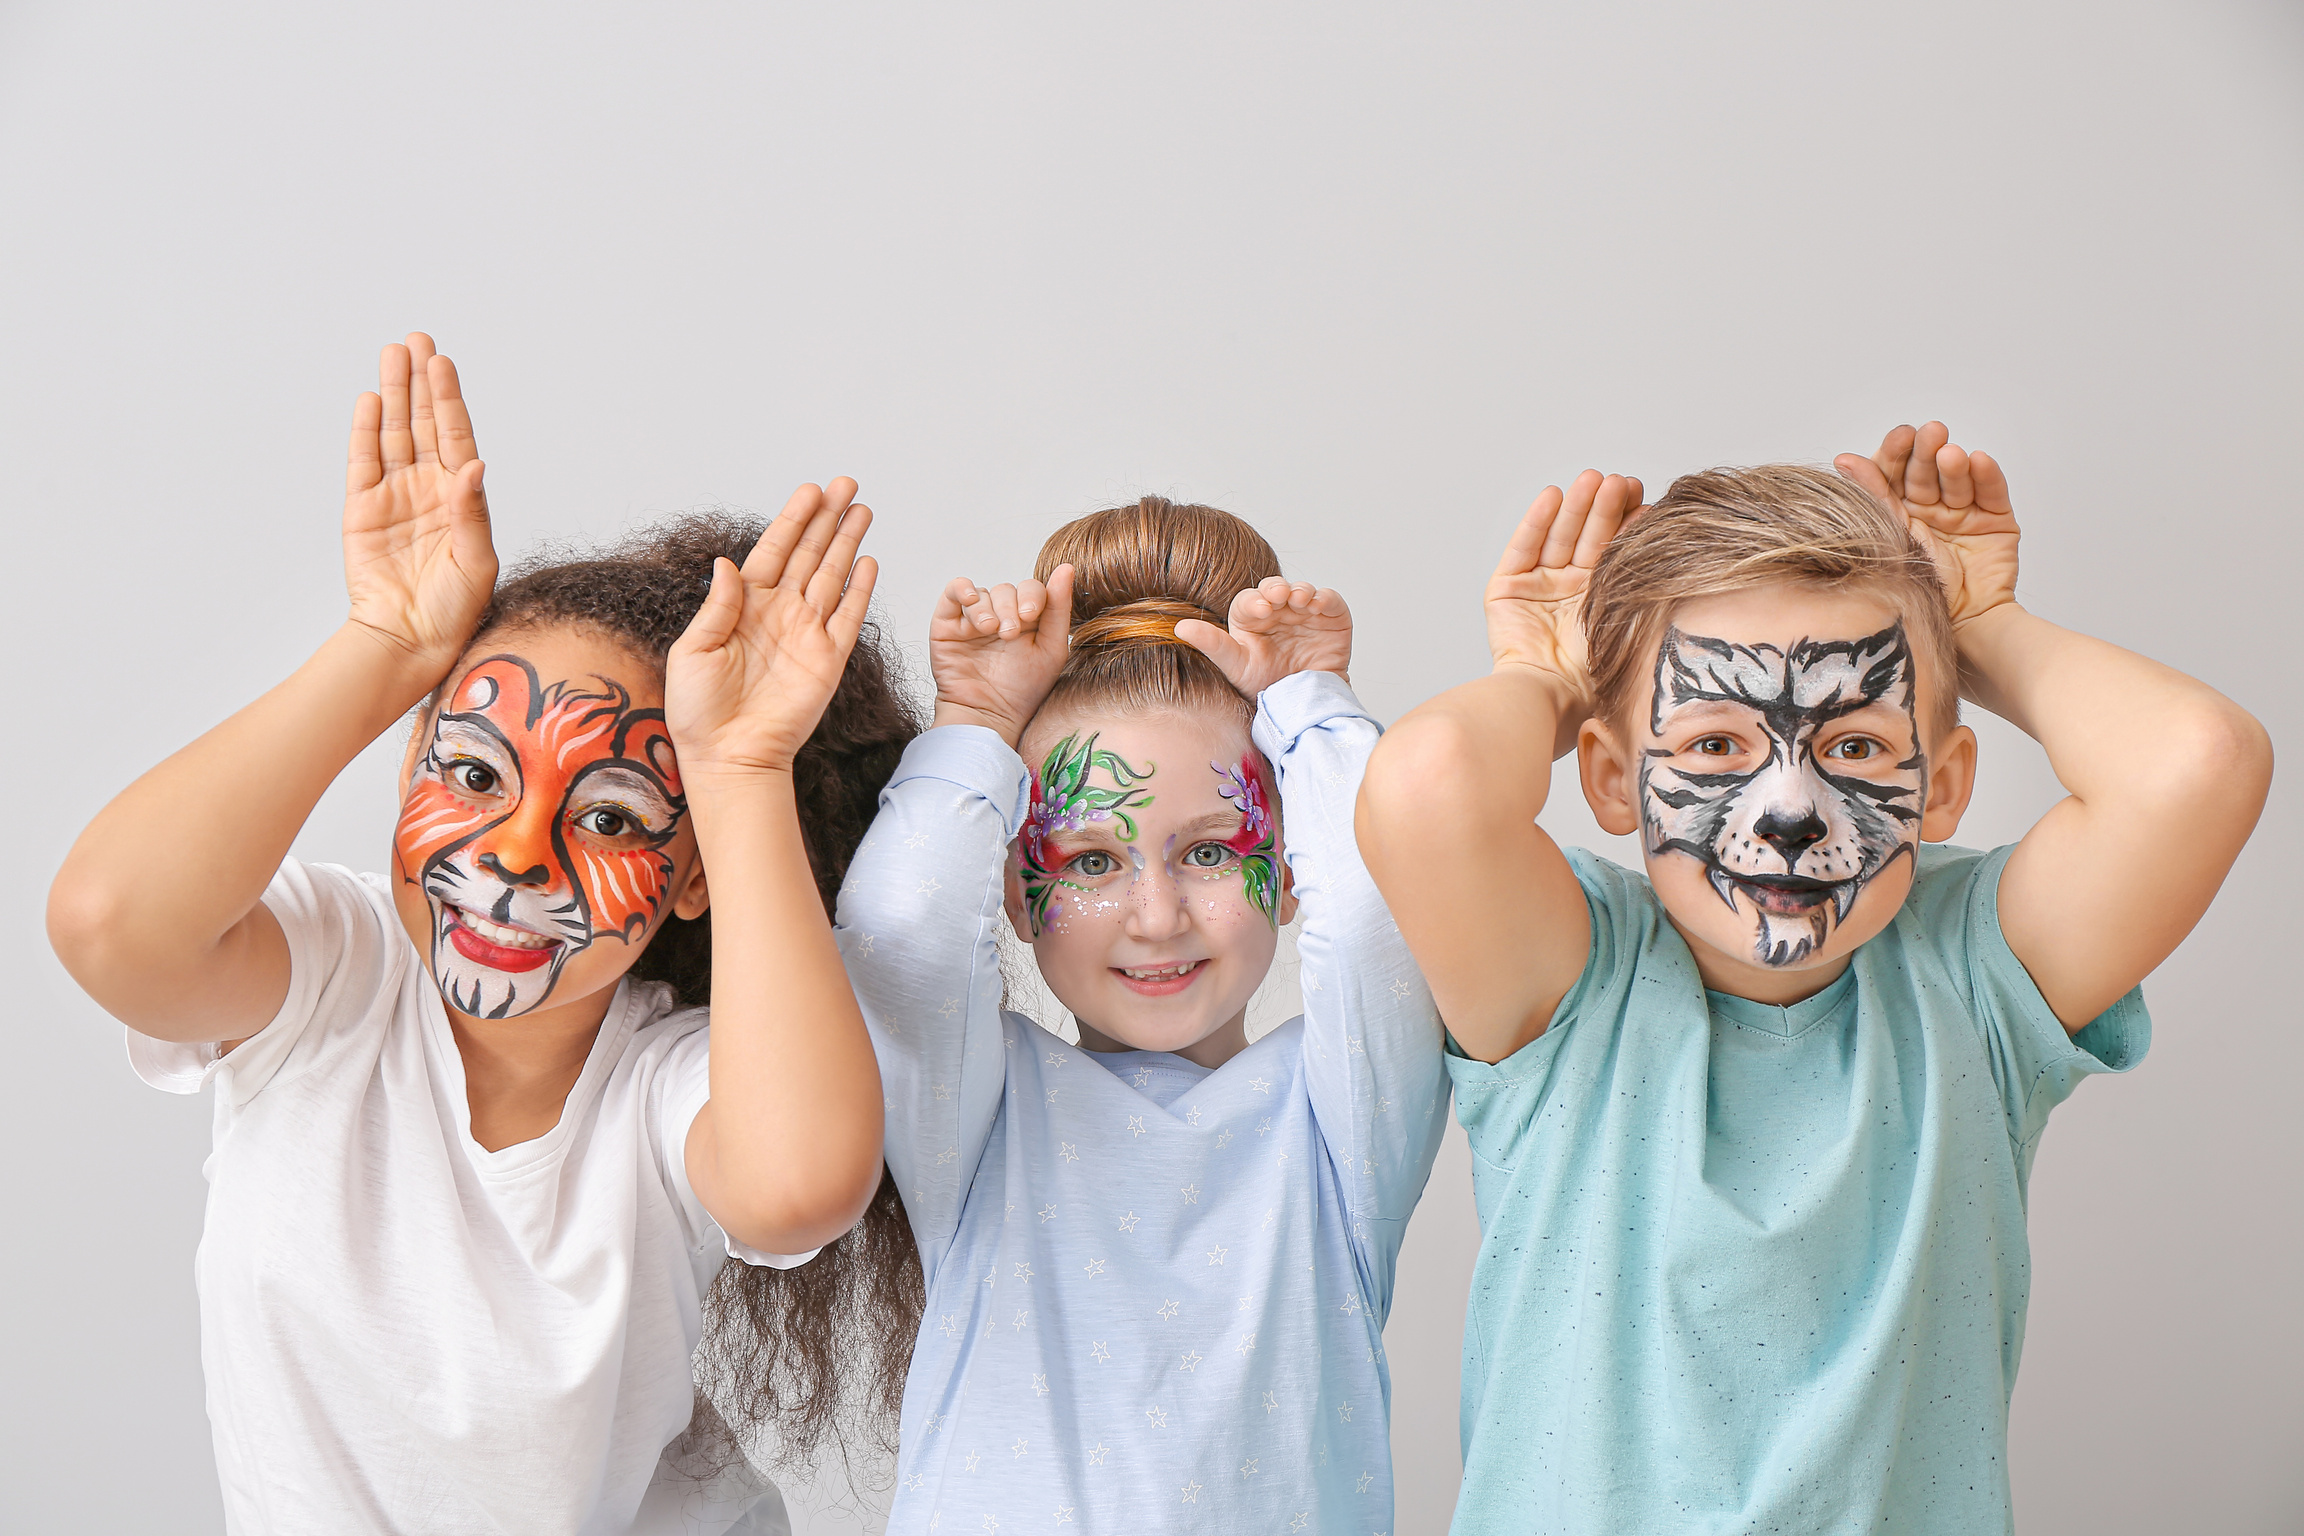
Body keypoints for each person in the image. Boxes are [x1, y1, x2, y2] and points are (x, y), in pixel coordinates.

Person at [45, 335, 918, 1534]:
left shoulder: (665, 1086)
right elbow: (111, 925)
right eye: (470, 771)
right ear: (410, 759)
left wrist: (743, 765)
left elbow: (799, 1186)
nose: (514, 856)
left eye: (609, 817)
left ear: (693, 873)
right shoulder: (331, 976)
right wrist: (388, 650)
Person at [1356, 426, 2274, 1533]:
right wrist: (1547, 675)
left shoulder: (1973, 980)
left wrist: (1978, 628)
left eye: (1856, 749)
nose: (1789, 811)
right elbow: (1426, 786)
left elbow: (2199, 762)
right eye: (1711, 747)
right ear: (1607, 775)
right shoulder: (1570, 982)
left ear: (1943, 789)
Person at [836, 497, 1447, 1532]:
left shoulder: (1338, 1114)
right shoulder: (979, 1118)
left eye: (1211, 850)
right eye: (1091, 862)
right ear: (1019, 895)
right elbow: (901, 928)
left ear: (1290, 868)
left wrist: (1312, 705)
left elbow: (1389, 911)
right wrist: (976, 723)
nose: (1157, 917)